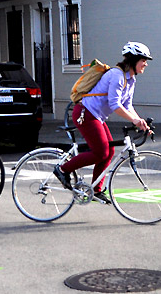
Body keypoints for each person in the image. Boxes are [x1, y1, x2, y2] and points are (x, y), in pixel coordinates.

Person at [53, 42, 152, 203]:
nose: (146, 64)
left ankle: (96, 189)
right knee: (101, 152)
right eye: (143, 60)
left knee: (109, 152)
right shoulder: (117, 75)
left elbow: (127, 105)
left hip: (96, 116)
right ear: (134, 60)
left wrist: (140, 122)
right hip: (86, 113)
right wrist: (133, 119)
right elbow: (115, 104)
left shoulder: (131, 79)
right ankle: (63, 169)